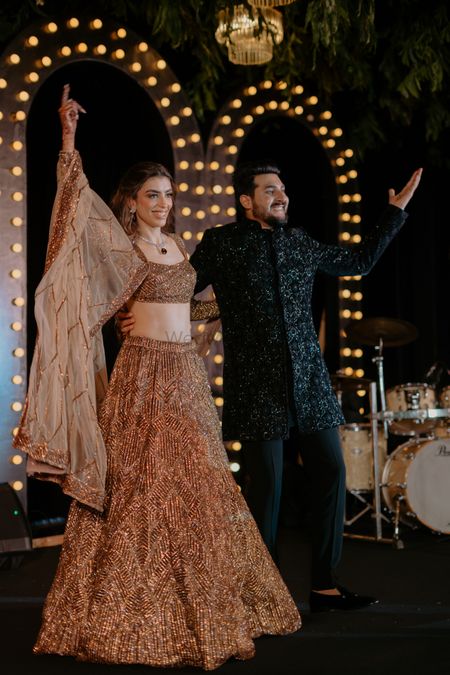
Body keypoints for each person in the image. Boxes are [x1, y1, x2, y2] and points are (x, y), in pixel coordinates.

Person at [14, 86, 300, 670]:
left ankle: (209, 609)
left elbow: (184, 310)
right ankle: (132, 615)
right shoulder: (118, 245)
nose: (164, 204)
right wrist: (68, 138)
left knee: (201, 491)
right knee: (140, 496)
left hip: (187, 378)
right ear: (131, 201)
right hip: (142, 378)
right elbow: (72, 203)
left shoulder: (175, 245)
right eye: (153, 195)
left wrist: (228, 305)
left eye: (169, 195)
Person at [119, 159, 422, 612]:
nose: (280, 196)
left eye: (282, 189)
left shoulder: (300, 242)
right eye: (268, 190)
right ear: (246, 200)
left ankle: (325, 585)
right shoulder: (222, 243)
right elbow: (179, 293)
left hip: (310, 382)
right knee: (267, 492)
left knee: (332, 473)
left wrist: (393, 213)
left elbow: (357, 263)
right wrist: (136, 313)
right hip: (257, 385)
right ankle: (266, 594)